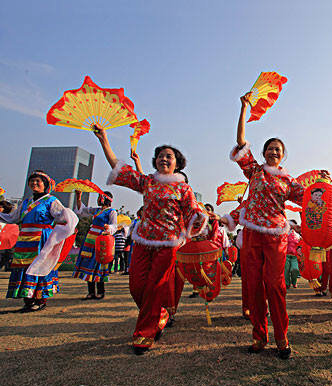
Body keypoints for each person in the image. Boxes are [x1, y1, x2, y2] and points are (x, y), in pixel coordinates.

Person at [217, 92, 328, 359]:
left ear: (282, 156)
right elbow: (241, 142)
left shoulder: (289, 182)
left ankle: (281, 337)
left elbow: (312, 199)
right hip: (252, 234)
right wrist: (244, 110)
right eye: (270, 149)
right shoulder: (254, 171)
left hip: (276, 238)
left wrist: (322, 185)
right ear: (264, 153)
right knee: (253, 285)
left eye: (278, 150)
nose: (273, 152)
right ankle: (259, 336)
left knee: (275, 286)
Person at [92, 124, 207, 355]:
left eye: (169, 156)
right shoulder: (148, 182)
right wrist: (103, 139)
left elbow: (193, 212)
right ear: (155, 161)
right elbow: (119, 168)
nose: (164, 159)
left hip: (168, 244)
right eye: (161, 156)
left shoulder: (183, 188)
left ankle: (144, 334)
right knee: (136, 286)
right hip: (143, 241)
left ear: (177, 163)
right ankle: (160, 314)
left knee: (155, 287)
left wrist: (200, 220)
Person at [0, 170, 77, 312]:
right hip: (25, 239)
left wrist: (67, 220)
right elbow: (12, 218)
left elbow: (62, 217)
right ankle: (28, 300)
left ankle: (40, 300)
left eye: (38, 181)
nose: (34, 183)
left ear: (45, 184)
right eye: (32, 180)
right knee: (24, 267)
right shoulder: (25, 203)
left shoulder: (51, 201)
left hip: (42, 238)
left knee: (40, 266)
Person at [72, 190, 117, 300]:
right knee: (89, 263)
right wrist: (78, 197)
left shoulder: (111, 212)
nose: (97, 199)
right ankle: (91, 292)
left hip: (102, 239)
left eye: (99, 197)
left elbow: (114, 225)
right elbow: (82, 211)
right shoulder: (96, 210)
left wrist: (109, 228)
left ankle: (101, 291)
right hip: (91, 238)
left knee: (99, 264)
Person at [284, 219, 301, 290]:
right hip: (286, 254)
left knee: (295, 269)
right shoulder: (285, 233)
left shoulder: (298, 235)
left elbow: (300, 244)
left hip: (294, 256)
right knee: (286, 270)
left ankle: (294, 282)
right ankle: (287, 283)